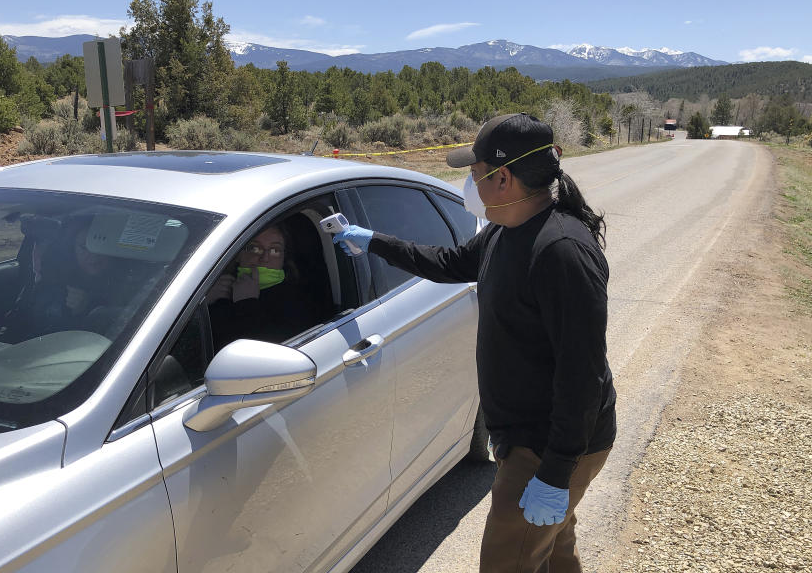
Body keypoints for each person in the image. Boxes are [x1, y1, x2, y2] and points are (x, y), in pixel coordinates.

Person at [333, 113, 616, 573]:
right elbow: (448, 262)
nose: (468, 181)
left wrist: (555, 473)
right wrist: (373, 242)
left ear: (502, 178)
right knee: (552, 553)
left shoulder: (560, 251)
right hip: (528, 440)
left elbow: (582, 373)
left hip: (549, 446)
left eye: (473, 170)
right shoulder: (505, 231)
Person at [208, 222, 321, 350]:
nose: (264, 258)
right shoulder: (217, 288)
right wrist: (205, 303)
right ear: (238, 255)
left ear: (283, 258)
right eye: (254, 248)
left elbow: (266, 354)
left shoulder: (297, 301)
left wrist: (246, 303)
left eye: (275, 250)